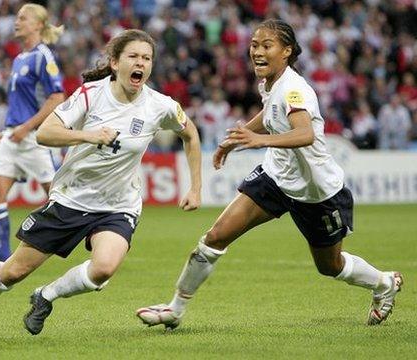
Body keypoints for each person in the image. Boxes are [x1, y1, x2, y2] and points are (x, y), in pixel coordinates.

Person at [0, 29, 202, 341]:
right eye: (133, 56)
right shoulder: (91, 94)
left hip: (119, 204)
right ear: (115, 63)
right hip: (71, 199)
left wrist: (195, 187)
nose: (141, 63)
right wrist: (90, 135)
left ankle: (46, 295)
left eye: (146, 58)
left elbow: (190, 134)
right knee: (12, 272)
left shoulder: (160, 105)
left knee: (103, 268)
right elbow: (46, 134)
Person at [136, 19, 403, 330]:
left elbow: (306, 134)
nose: (257, 52)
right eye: (254, 45)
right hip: (276, 176)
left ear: (287, 51)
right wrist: (238, 138)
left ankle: (384, 283)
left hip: (316, 191)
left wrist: (258, 141)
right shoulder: (269, 83)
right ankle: (175, 309)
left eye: (266, 46)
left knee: (330, 266)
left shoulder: (295, 90)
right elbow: (270, 112)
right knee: (215, 237)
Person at [0, 3, 65, 261]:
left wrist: (25, 127)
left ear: (38, 25)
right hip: (14, 135)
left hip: (35, 137)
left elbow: (57, 97)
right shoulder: (19, 58)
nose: (16, 22)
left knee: (59, 197)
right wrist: (8, 129)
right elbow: (22, 102)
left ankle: (95, 238)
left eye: (23, 18)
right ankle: (2, 262)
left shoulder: (43, 56)